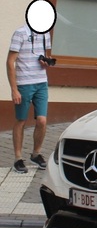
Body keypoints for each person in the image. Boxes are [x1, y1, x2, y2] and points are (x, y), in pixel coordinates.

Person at [6, 24, 53, 173]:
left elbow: (44, 55)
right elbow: (10, 61)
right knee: (21, 120)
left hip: (41, 83)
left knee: (42, 120)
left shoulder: (46, 34)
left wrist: (46, 62)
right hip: (24, 84)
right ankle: (18, 158)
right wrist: (14, 89)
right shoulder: (20, 33)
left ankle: (36, 153)